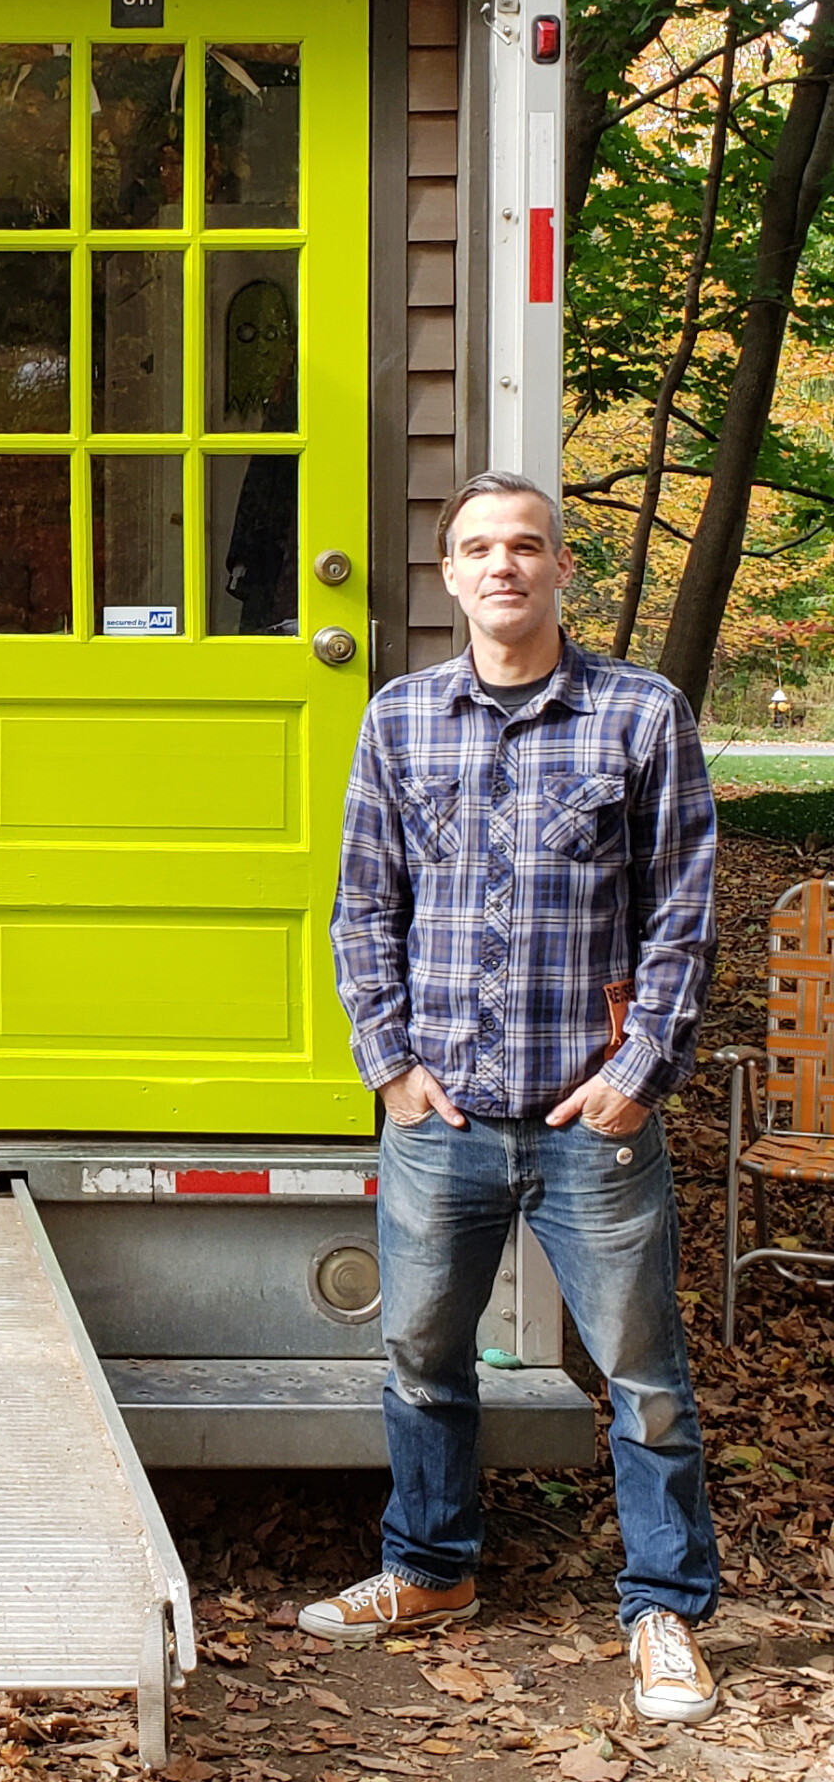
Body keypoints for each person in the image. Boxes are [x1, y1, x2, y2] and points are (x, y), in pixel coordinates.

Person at [303, 470, 720, 1726]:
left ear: (558, 569)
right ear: (447, 574)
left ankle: (662, 1608)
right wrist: (389, 1065)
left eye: (526, 545)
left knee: (641, 1373)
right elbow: (362, 908)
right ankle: (428, 1569)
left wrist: (634, 1077)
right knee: (422, 1356)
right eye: (477, 546)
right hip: (441, 1120)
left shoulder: (641, 716)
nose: (503, 565)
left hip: (587, 1122)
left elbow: (682, 918)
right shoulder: (398, 718)